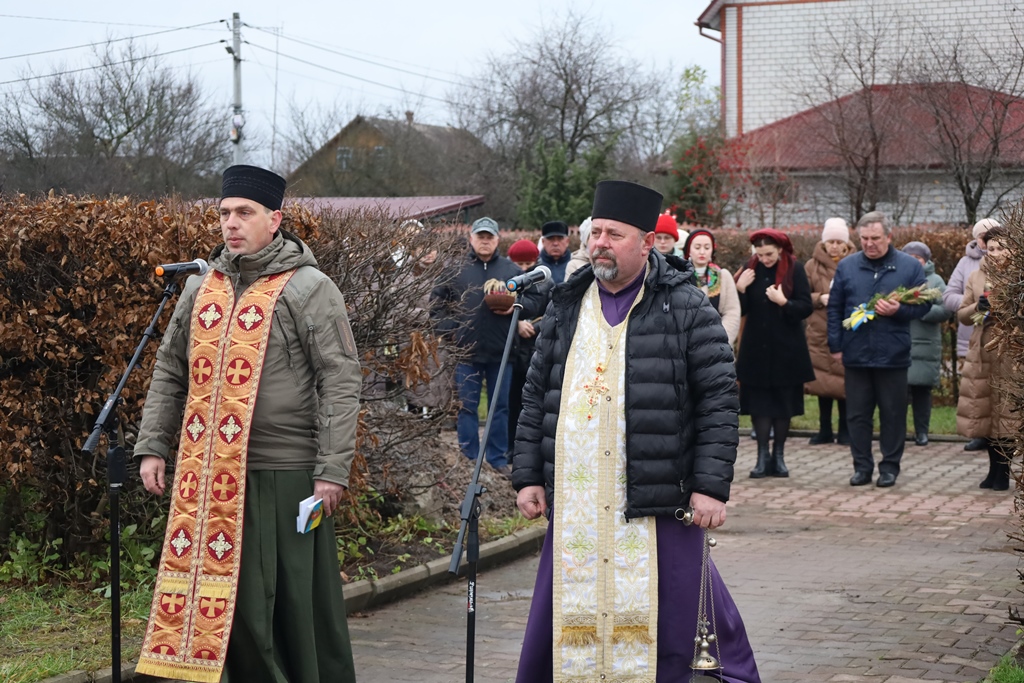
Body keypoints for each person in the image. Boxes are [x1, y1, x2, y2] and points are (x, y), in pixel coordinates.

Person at [512, 180, 761, 683]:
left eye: (614, 234)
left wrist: (710, 488)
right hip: (579, 505)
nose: (600, 242)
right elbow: (537, 394)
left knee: (668, 628)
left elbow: (719, 399)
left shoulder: (687, 306)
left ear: (647, 242)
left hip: (657, 501)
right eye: (596, 232)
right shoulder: (564, 305)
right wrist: (528, 476)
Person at [134, 165, 360, 682]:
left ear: (274, 219)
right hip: (205, 478)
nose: (230, 224)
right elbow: (171, 369)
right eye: (224, 213)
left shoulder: (309, 288)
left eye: (244, 213)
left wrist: (332, 469)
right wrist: (153, 445)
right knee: (223, 611)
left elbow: (341, 382)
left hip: (280, 472)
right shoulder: (200, 288)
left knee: (283, 607)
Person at [827, 211, 929, 488]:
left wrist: (899, 309)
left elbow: (925, 305)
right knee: (857, 415)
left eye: (875, 238)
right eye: (864, 238)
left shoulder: (909, 267)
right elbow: (835, 308)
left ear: (889, 237)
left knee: (893, 414)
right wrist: (835, 345)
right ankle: (862, 467)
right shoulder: (847, 267)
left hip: (893, 354)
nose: (869, 243)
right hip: (856, 354)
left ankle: (889, 468)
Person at [431, 216, 521, 477]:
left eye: (489, 236)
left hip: (502, 350)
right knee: (467, 406)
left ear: (497, 240)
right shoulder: (454, 270)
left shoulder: (511, 271)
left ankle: (496, 457)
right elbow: (436, 307)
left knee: (500, 406)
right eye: (480, 236)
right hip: (466, 351)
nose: (484, 241)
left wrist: (517, 308)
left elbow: (536, 299)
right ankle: (469, 456)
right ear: (471, 239)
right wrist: (453, 332)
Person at [735, 229, 814, 478]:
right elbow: (741, 310)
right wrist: (740, 289)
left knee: (783, 405)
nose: (765, 259)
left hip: (786, 350)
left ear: (780, 250)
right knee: (759, 406)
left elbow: (805, 307)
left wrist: (784, 302)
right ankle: (762, 456)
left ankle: (779, 456)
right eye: (760, 254)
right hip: (756, 349)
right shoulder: (749, 269)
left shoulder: (795, 269)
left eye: (769, 254)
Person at [957, 226, 1014, 491]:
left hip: (1012, 351)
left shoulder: (1019, 277)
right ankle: (993, 469)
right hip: (983, 352)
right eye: (991, 249)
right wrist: (979, 308)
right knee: (987, 413)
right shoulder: (977, 275)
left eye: (1002, 248)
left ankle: (1004, 472)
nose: (997, 254)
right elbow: (962, 313)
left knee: (1007, 414)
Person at [944, 217, 997, 452]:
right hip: (972, 337)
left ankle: (1000, 437)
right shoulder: (966, 264)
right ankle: (979, 434)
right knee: (976, 390)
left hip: (999, 339)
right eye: (980, 236)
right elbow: (949, 295)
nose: (984, 241)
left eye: (989, 236)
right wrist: (973, 303)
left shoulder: (1010, 263)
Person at [804, 218, 854, 445]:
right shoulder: (811, 266)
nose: (834, 246)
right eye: (830, 241)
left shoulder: (855, 262)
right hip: (819, 330)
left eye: (838, 241)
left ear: (846, 243)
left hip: (847, 329)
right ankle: (824, 429)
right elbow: (802, 295)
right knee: (822, 382)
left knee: (844, 382)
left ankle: (845, 429)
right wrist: (819, 298)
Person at [505, 238, 552, 462]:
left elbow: (553, 314)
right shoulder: (506, 279)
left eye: (527, 264)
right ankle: (510, 447)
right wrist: (516, 325)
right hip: (512, 350)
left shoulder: (545, 282)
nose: (523, 270)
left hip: (535, 347)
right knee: (511, 402)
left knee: (533, 403)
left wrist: (533, 326)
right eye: (518, 264)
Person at [901, 241, 951, 447]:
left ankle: (922, 432)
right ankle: (898, 431)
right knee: (899, 393)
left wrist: (919, 309)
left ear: (926, 260)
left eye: (918, 258)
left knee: (922, 392)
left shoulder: (935, 281)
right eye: (910, 258)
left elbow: (946, 309)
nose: (914, 262)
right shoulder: (898, 278)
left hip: (925, 344)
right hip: (901, 342)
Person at [683, 228, 741, 347]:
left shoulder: (723, 275)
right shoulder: (680, 275)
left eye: (707, 247)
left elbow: (732, 311)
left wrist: (721, 341)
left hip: (716, 344)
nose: (702, 252)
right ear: (689, 250)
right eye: (697, 247)